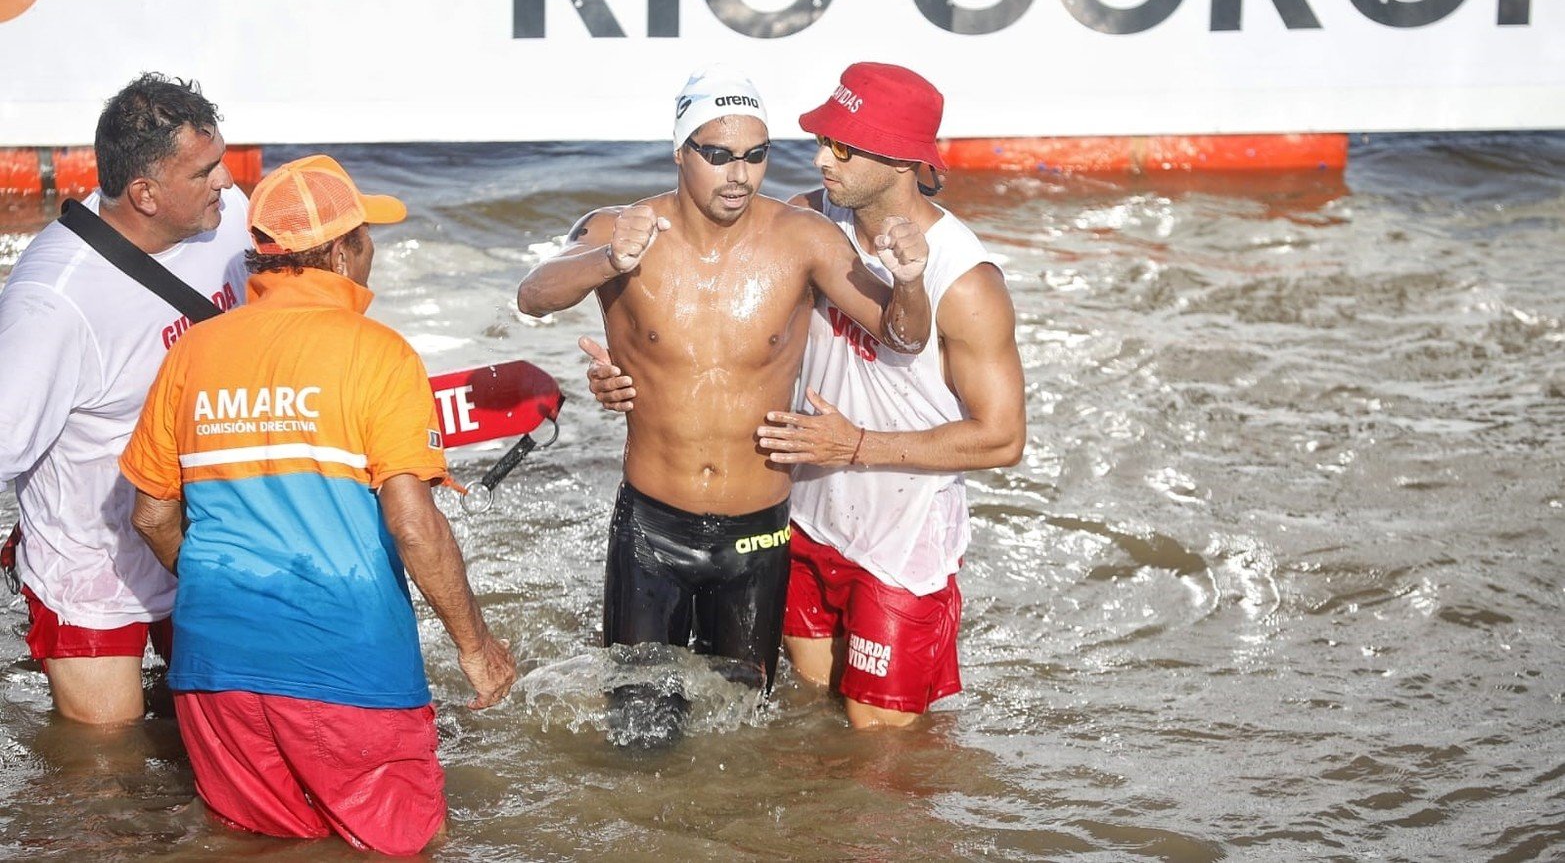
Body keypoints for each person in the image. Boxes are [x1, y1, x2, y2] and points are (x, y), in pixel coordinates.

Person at [588, 63, 1026, 730]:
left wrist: (855, 444)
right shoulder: (806, 221)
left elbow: (1002, 437)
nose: (819, 158)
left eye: (841, 148)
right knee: (806, 728)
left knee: (881, 747)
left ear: (901, 159)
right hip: (805, 520)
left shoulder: (963, 280)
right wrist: (626, 374)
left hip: (895, 537)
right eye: (822, 139)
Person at [119, 155, 516, 855]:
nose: (372, 252)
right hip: (347, 666)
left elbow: (151, 515)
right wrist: (476, 647)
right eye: (365, 236)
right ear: (338, 251)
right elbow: (412, 522)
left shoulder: (195, 351)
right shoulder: (380, 353)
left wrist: (230, 591)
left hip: (216, 668)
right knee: (406, 845)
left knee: (257, 844)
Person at [515, 64, 931, 698]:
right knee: (639, 730)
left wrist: (908, 283)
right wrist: (610, 262)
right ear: (680, 152)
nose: (739, 174)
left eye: (755, 155)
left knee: (743, 744)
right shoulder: (619, 229)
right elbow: (533, 296)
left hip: (758, 532)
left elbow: (904, 335)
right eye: (718, 155)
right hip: (650, 530)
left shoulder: (804, 239)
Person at [0, 73, 248, 725]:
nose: (226, 182)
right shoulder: (50, 304)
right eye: (205, 172)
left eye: (221, 161)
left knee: (227, 737)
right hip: (90, 558)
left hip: (205, 532)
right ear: (144, 193)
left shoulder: (230, 220)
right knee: (106, 770)